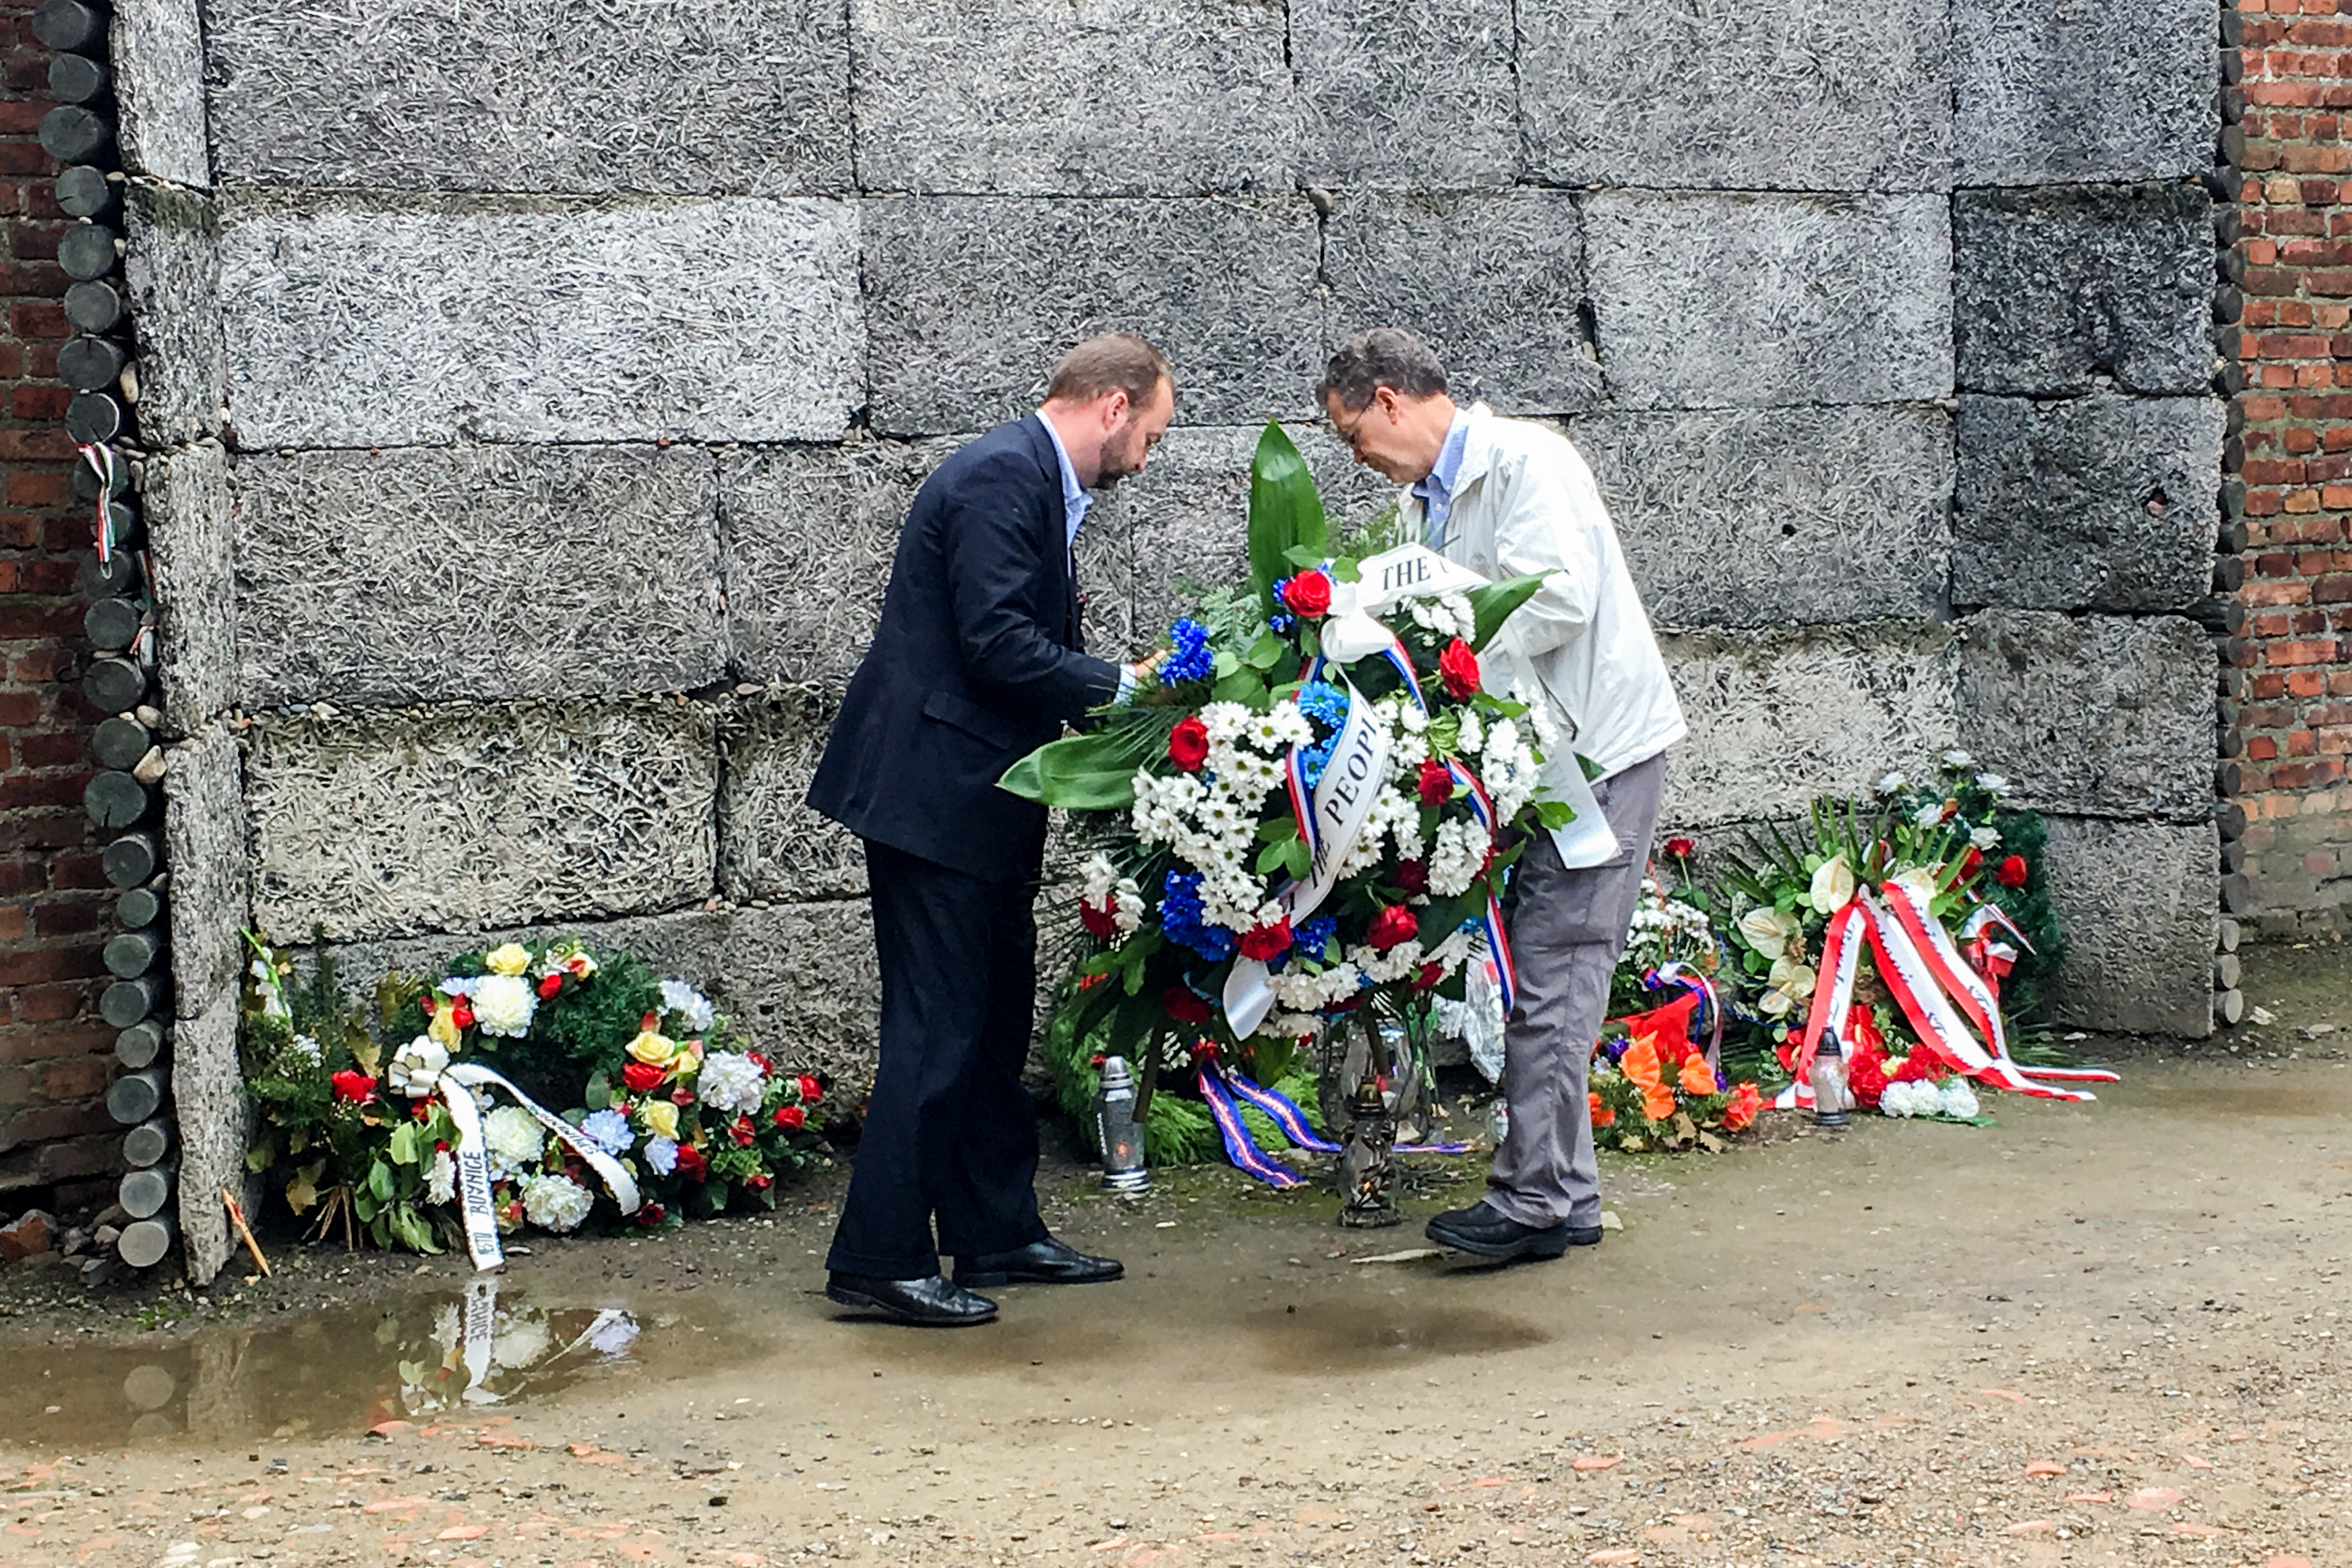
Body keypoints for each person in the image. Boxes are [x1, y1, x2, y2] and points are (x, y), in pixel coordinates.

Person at [807, 334, 1177, 1325]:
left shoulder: (1027, 480)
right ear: (1111, 405)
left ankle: (996, 1227)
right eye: (1148, 433)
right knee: (936, 1029)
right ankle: (879, 1254)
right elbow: (999, 641)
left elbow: (1012, 639)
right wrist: (1129, 689)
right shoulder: (1000, 477)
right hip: (933, 796)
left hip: (980, 797)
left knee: (992, 1019)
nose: (1144, 458)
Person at [1318, 326, 1686, 1263]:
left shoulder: (1530, 463)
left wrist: (1441, 628)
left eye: (1352, 433)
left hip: (1590, 753)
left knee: (1557, 970)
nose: (1354, 456)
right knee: (1546, 970)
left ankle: (1528, 1202)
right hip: (1534, 757)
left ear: (1391, 400)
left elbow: (1556, 600)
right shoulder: (1421, 503)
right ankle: (1568, 1193)